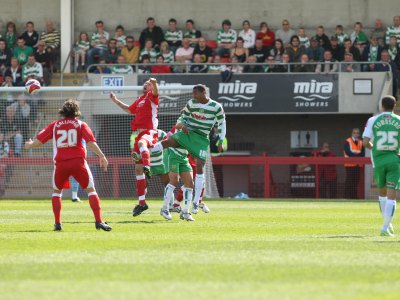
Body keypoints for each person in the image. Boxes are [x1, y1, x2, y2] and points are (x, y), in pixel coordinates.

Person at [24, 99, 111, 231]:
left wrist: (29, 145)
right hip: (78, 162)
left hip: (61, 164)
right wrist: (102, 156)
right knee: (91, 191)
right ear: (76, 112)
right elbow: (91, 142)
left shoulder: (55, 125)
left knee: (57, 192)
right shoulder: (81, 124)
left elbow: (39, 141)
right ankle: (99, 221)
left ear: (63, 111)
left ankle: (58, 223)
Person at [149, 84, 226, 220]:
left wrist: (220, 140)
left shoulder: (216, 107)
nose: (193, 96)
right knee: (173, 178)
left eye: (195, 93)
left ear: (203, 92)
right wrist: (183, 125)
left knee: (191, 180)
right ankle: (145, 152)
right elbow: (180, 120)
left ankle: (190, 207)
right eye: (193, 94)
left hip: (195, 145)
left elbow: (222, 122)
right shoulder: (189, 108)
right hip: (179, 147)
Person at [110, 78, 159, 217]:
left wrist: (154, 84)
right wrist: (115, 101)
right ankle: (142, 203)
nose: (146, 84)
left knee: (142, 143)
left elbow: (156, 92)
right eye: (145, 83)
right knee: (137, 169)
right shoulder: (140, 99)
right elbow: (128, 109)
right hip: (139, 134)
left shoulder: (152, 97)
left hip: (149, 131)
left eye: (148, 83)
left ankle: (148, 167)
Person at [362, 95, 399, 236]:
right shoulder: (399, 121)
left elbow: (365, 143)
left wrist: (376, 148)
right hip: (394, 159)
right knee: (392, 195)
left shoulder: (372, 120)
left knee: (382, 194)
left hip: (378, 160)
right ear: (394, 106)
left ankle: (387, 225)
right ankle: (385, 227)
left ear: (381, 106)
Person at [160, 127, 195, 221]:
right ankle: (165, 209)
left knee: (190, 184)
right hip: (174, 157)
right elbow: (167, 136)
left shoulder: (196, 129)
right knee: (174, 180)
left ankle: (185, 212)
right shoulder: (181, 123)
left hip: (184, 158)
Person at [344, 127, 365, 199]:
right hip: (349, 164)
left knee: (356, 181)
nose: (356, 134)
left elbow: (363, 153)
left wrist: (357, 157)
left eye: (357, 133)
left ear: (359, 134)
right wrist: (356, 157)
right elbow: (348, 152)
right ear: (352, 133)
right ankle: (346, 196)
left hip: (358, 164)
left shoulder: (361, 142)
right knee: (349, 181)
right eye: (354, 132)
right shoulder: (347, 141)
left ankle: (354, 197)